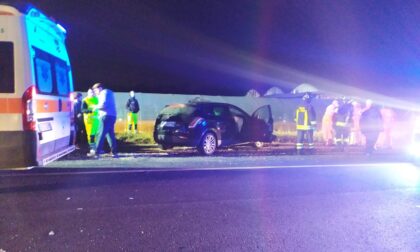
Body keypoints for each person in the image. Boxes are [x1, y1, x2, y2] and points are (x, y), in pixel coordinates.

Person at [87, 83, 118, 158]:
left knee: (100, 134)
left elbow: (103, 105)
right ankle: (114, 152)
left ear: (100, 88)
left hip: (105, 116)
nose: (95, 92)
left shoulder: (104, 93)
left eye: (95, 90)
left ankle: (96, 152)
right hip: (112, 116)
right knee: (110, 134)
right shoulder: (109, 93)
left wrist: (95, 107)